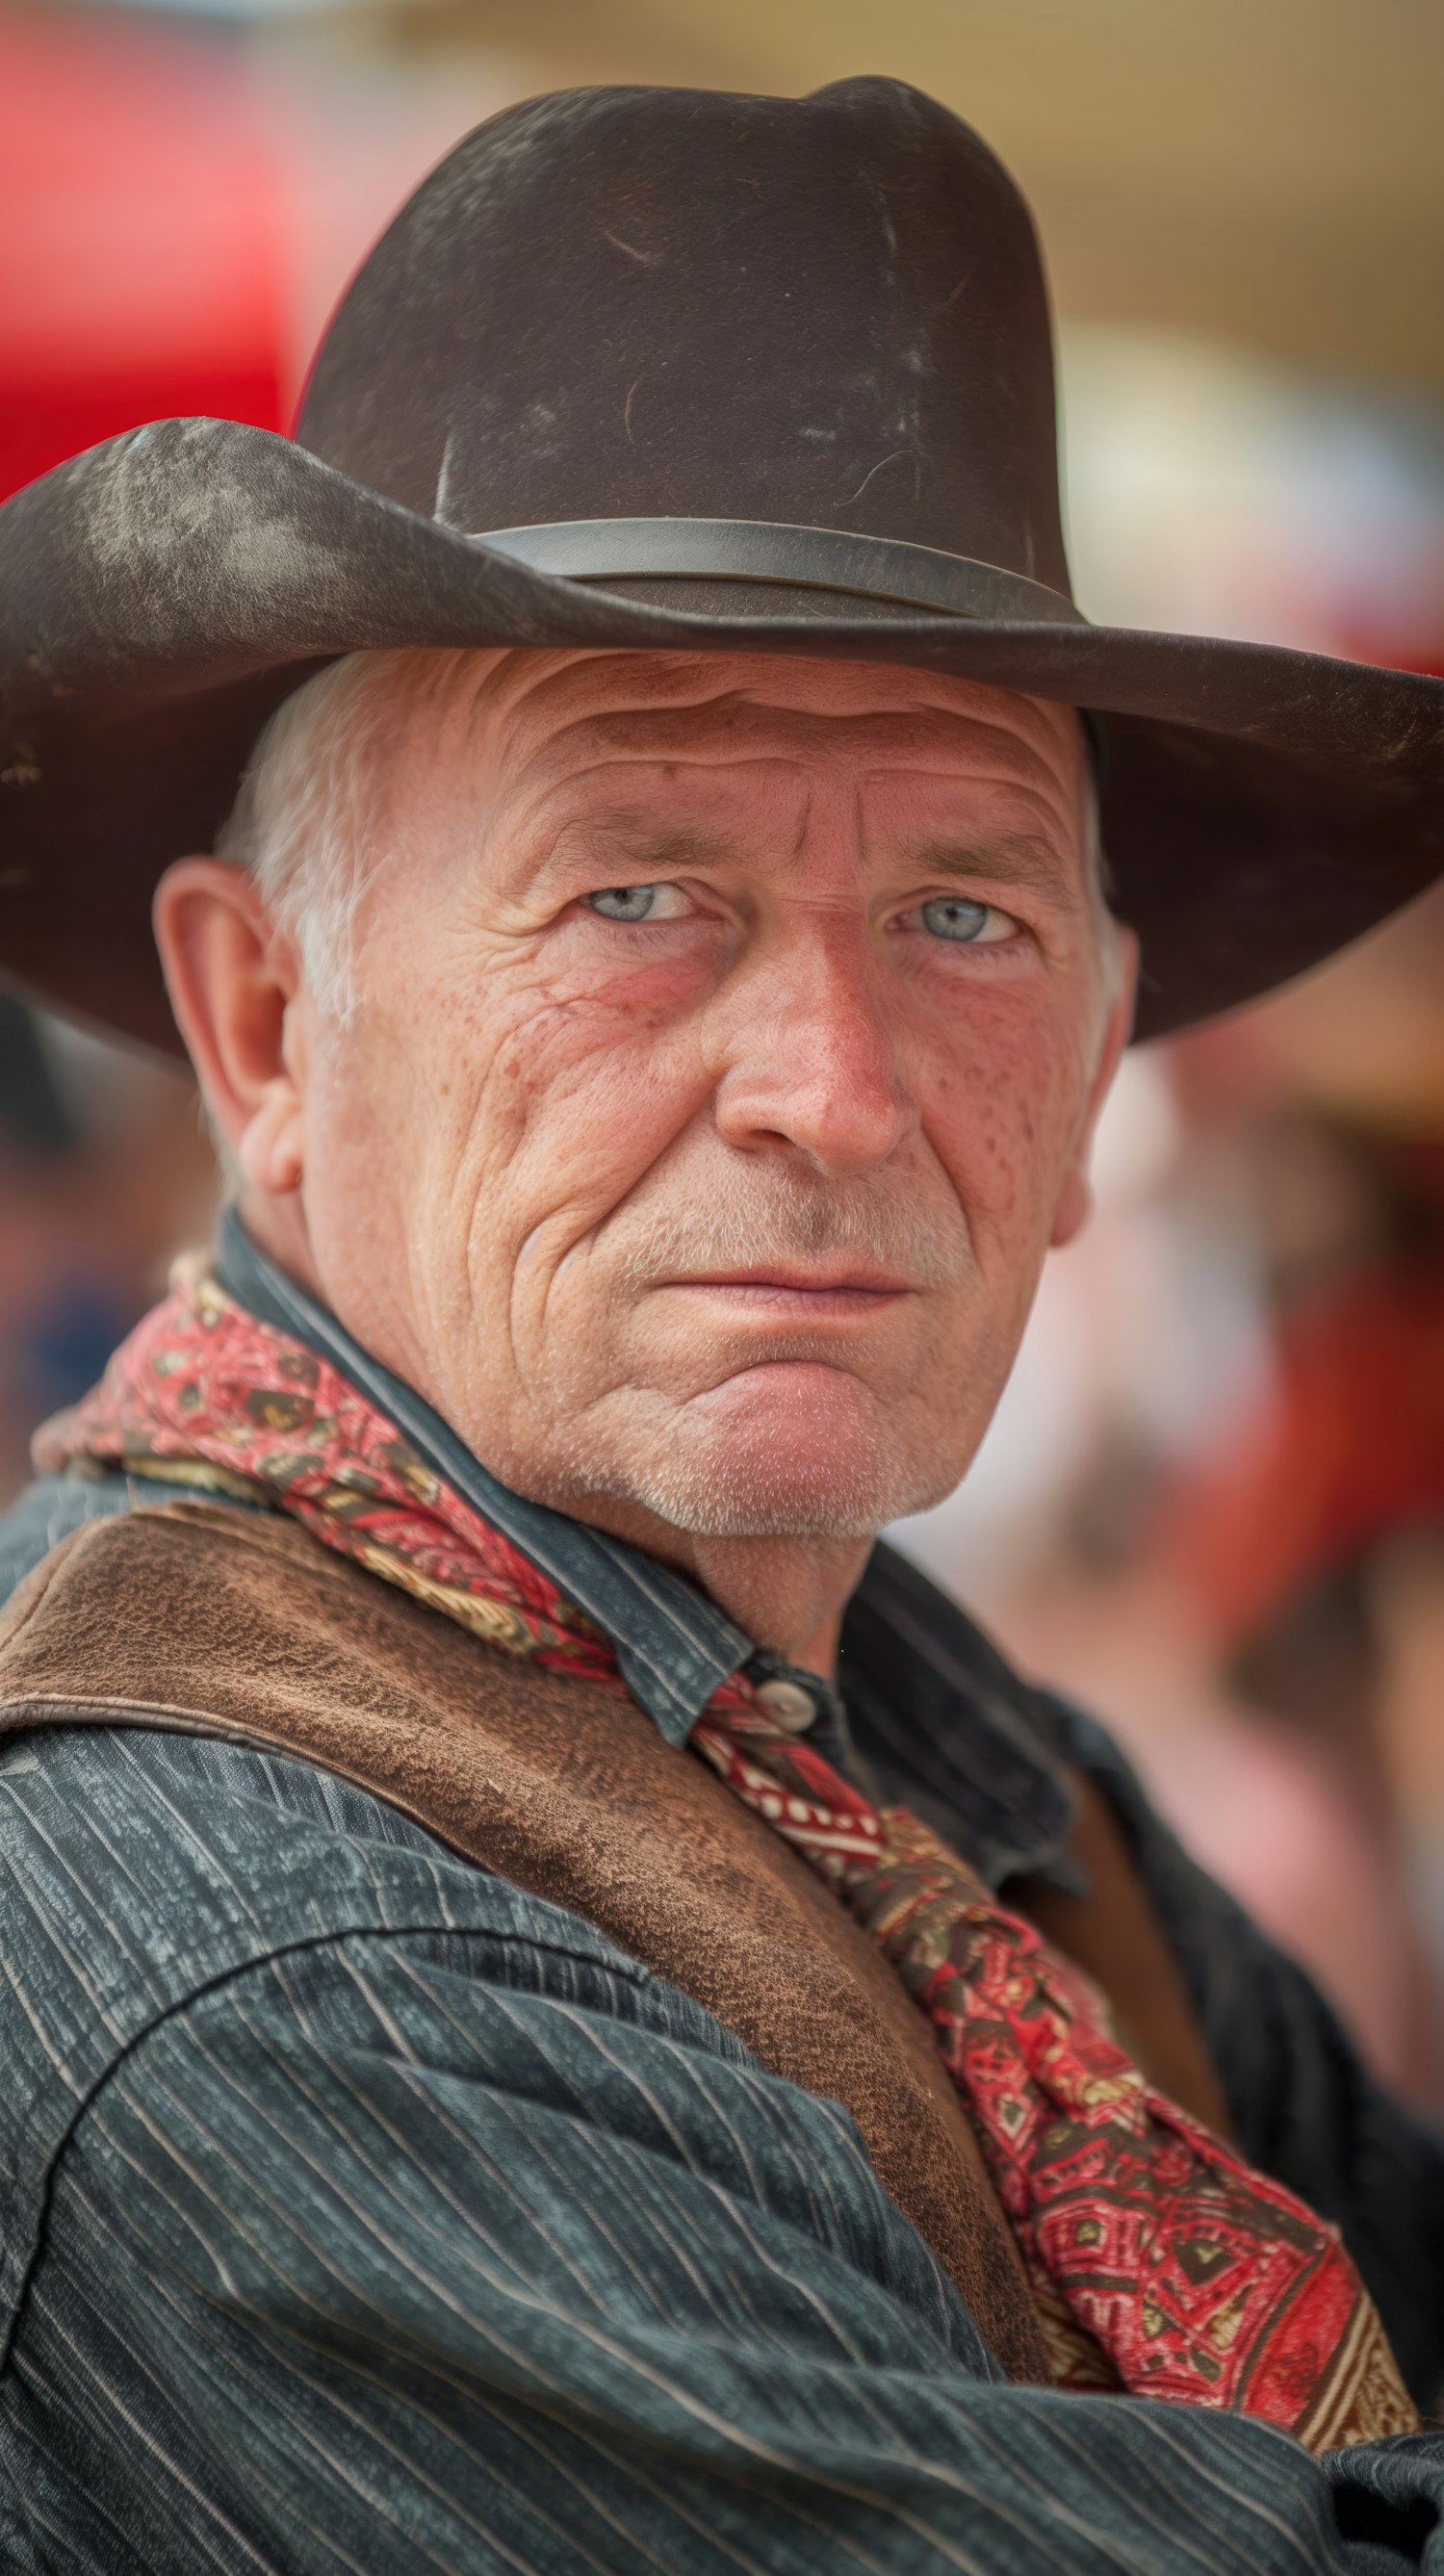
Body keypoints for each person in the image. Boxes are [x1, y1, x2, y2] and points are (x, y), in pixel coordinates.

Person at [1, 76, 1442, 2576]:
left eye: (964, 918)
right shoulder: (241, 1931)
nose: (837, 1088)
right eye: (637, 892)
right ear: (259, 1031)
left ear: (1100, 1063)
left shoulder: (928, 1748)